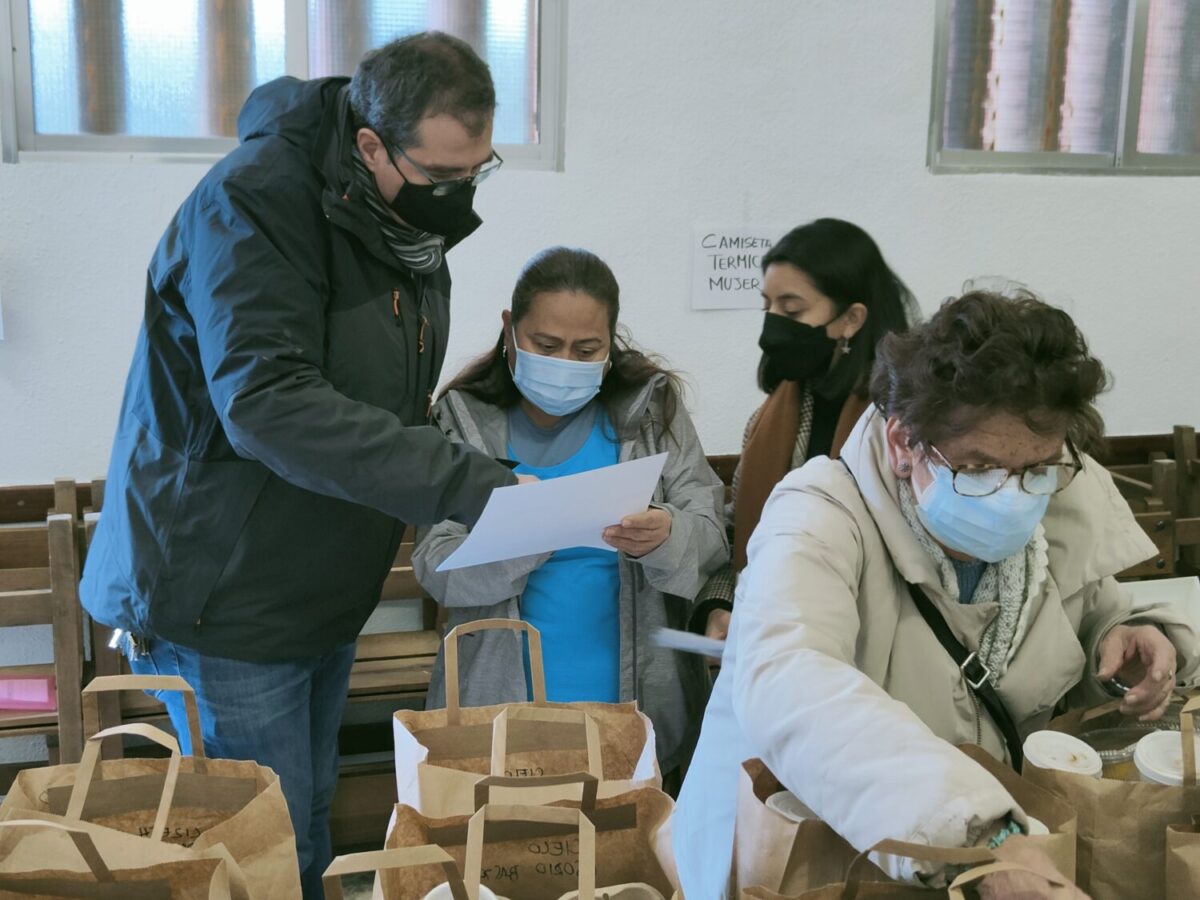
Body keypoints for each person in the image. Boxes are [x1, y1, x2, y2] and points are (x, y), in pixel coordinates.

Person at [80, 33, 523, 899]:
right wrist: (468, 481)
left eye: (479, 171)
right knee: (258, 862)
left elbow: (383, 397)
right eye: (441, 178)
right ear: (369, 144)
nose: (459, 197)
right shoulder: (253, 204)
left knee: (307, 830)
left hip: (317, 582)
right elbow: (268, 404)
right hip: (226, 594)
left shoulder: (395, 216)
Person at [674, 289, 1200, 898]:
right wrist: (984, 837)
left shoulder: (1055, 504)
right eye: (977, 469)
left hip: (966, 853)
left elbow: (1086, 619)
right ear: (903, 444)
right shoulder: (818, 515)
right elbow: (793, 680)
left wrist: (1126, 637)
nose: (1013, 495)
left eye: (1035, 468)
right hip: (814, 855)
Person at [412, 246, 729, 777]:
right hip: (500, 702)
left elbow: (710, 536)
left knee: (629, 849)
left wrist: (668, 535)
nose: (565, 365)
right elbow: (436, 567)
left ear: (611, 342)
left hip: (635, 701)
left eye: (587, 350)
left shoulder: (650, 411)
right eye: (546, 345)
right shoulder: (463, 419)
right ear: (510, 329)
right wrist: (522, 535)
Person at [691, 218, 916, 644]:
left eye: (791, 310)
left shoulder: (901, 426)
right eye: (767, 307)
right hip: (774, 641)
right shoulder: (767, 419)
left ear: (851, 319)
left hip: (875, 646)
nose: (773, 325)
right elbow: (743, 534)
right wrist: (721, 603)